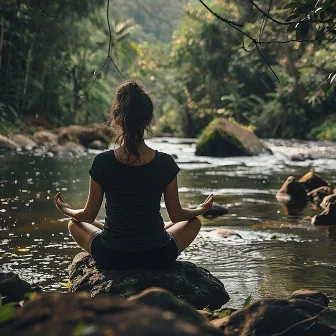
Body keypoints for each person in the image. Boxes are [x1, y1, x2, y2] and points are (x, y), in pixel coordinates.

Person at [54, 80, 214, 269]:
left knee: (74, 223)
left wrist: (67, 210)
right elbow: (177, 215)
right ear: (148, 119)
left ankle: (130, 237)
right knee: (193, 222)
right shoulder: (165, 163)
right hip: (157, 255)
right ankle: (148, 236)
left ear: (117, 119)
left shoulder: (102, 162)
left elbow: (87, 216)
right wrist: (201, 209)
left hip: (112, 256)